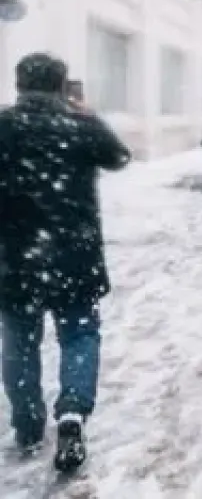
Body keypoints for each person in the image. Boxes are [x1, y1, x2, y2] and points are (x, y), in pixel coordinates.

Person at [0, 52, 131, 473]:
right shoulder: (80, 127)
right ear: (61, 85)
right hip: (75, 257)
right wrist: (86, 116)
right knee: (79, 334)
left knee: (20, 340)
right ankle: (72, 413)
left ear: (19, 84)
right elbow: (119, 157)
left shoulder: (3, 125)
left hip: (14, 258)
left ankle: (27, 423)